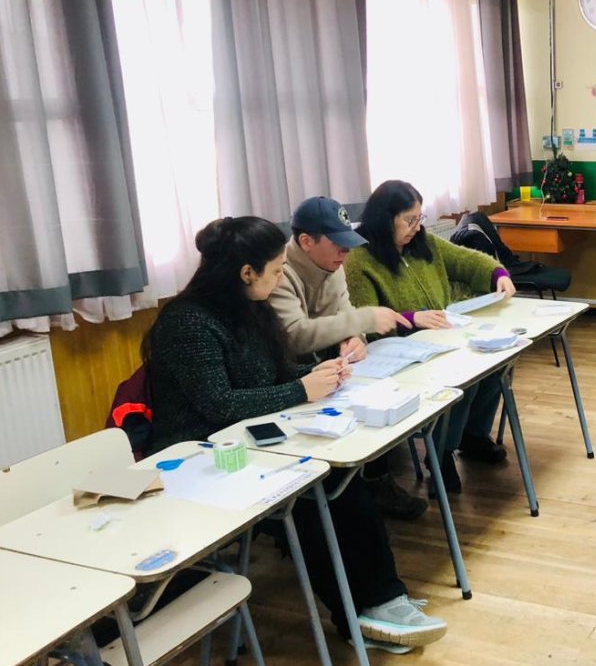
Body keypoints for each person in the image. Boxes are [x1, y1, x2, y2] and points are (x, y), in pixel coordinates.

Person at [143, 216, 448, 654]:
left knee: (346, 486)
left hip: (253, 439)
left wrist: (322, 373)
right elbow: (219, 404)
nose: (282, 276)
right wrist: (301, 389)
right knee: (312, 499)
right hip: (203, 456)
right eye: (276, 269)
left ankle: (385, 598)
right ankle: (356, 616)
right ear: (246, 273)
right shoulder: (187, 323)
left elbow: (277, 372)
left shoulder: (252, 308)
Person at [345, 180, 516, 493]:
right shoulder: (360, 260)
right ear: (385, 219)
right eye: (409, 220)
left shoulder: (423, 242)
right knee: (462, 378)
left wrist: (498, 274)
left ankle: (473, 436)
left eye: (419, 218)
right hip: (399, 353)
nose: (416, 227)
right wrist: (411, 320)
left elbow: (465, 259)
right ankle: (441, 454)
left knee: (495, 364)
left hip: (442, 338)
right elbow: (365, 321)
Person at [269, 196, 427, 521]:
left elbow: (345, 315)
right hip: (289, 379)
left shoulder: (333, 265)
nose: (345, 252)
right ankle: (346, 501)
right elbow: (294, 335)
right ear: (306, 242)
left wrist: (356, 339)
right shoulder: (279, 273)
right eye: (337, 244)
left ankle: (375, 484)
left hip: (330, 372)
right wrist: (364, 321)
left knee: (378, 401)